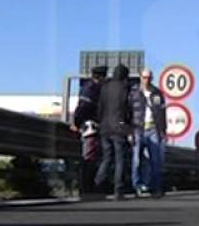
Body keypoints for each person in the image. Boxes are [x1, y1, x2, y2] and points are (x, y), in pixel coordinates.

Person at [94, 64, 133, 199]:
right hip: (119, 127)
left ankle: (97, 186)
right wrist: (128, 127)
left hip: (105, 127)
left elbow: (100, 107)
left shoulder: (105, 87)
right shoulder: (125, 88)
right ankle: (118, 190)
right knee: (120, 159)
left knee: (106, 158)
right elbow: (127, 110)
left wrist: (100, 122)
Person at [130, 68, 167, 197]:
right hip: (137, 128)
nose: (147, 80)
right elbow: (128, 112)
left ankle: (155, 187)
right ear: (140, 77)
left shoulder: (157, 93)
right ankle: (137, 186)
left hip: (153, 129)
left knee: (155, 160)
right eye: (145, 77)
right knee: (136, 160)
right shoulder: (133, 92)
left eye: (150, 77)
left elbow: (162, 113)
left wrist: (163, 131)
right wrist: (129, 131)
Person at [71, 65, 107, 194]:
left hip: (91, 126)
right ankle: (86, 188)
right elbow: (83, 108)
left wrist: (76, 122)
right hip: (90, 127)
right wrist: (77, 122)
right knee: (89, 158)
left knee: (91, 158)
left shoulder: (90, 88)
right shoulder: (92, 89)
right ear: (101, 77)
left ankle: (88, 187)